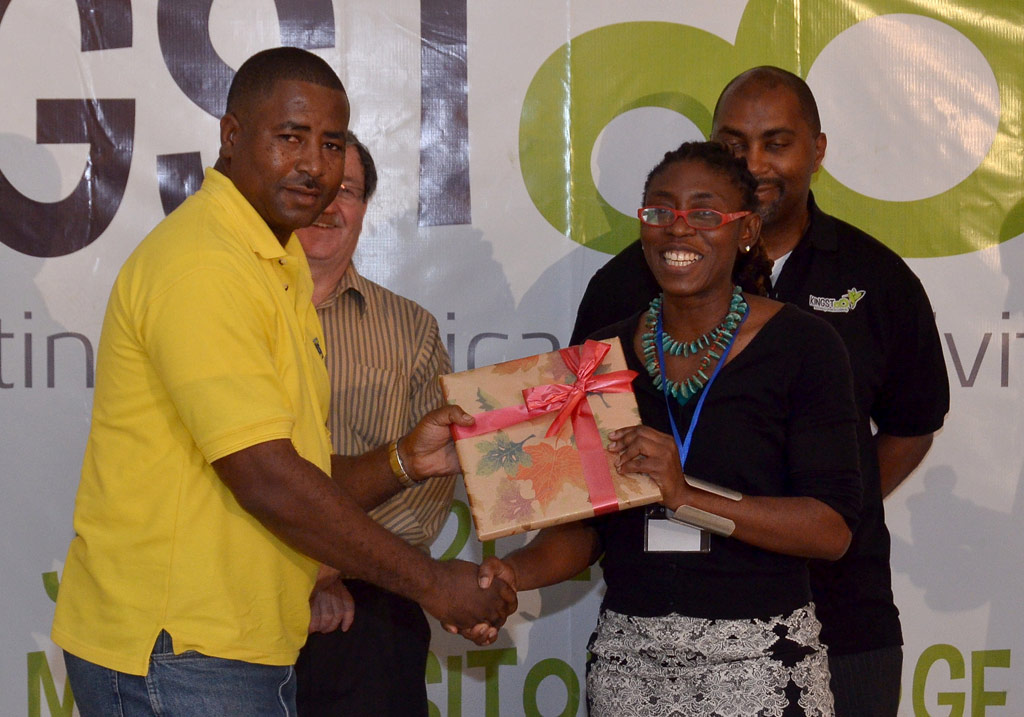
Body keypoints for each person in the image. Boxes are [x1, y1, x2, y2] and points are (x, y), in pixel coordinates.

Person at [51, 47, 514, 716]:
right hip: (177, 652)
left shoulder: (274, 263)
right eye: (290, 137)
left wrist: (403, 459)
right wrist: (434, 582)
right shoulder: (206, 264)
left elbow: (291, 465)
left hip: (227, 646)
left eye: (330, 144)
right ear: (231, 137)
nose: (314, 165)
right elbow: (266, 478)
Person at [571, 67, 949, 715]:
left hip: (840, 608)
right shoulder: (624, 288)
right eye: (734, 142)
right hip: (653, 624)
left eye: (776, 142)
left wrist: (816, 503)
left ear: (817, 151)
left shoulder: (875, 276)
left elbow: (913, 423)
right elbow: (586, 473)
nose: (754, 161)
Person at [464, 141, 862, 715]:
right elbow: (585, 528)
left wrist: (686, 495)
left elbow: (829, 531)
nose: (678, 230)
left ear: (745, 230)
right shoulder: (599, 359)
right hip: (630, 666)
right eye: (660, 212)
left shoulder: (804, 347)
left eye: (704, 213)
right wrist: (512, 572)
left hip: (757, 666)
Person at [292, 131, 455, 716]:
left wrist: (325, 566)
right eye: (316, 189)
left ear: (364, 209)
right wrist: (293, 578)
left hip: (368, 612)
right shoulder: (226, 313)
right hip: (234, 607)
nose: (330, 205)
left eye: (350, 191)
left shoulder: (411, 330)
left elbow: (427, 497)